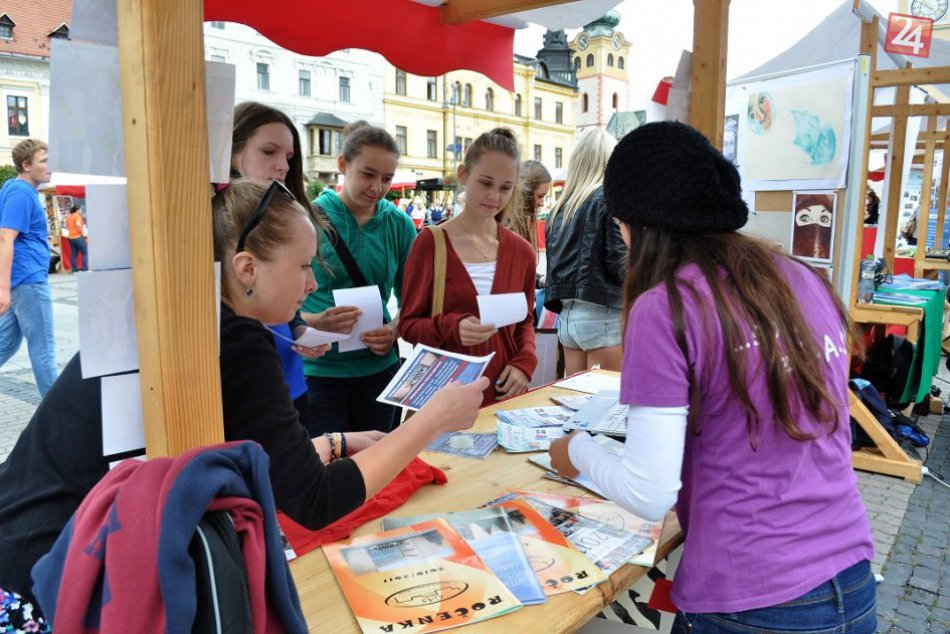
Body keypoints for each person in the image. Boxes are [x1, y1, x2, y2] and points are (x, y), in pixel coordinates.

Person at [0, 179, 488, 627]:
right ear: (247, 268)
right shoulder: (235, 339)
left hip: (30, 550)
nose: (312, 284)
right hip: (50, 588)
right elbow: (315, 500)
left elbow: (259, 457)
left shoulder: (190, 318)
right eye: (302, 266)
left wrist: (334, 441)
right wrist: (430, 420)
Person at [549, 121, 876, 633]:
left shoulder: (669, 305)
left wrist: (576, 451)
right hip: (849, 580)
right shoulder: (797, 279)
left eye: (620, 225)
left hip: (750, 597)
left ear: (635, 223)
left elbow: (647, 491)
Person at [399, 128, 537, 405]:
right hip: (444, 395)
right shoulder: (430, 243)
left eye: (505, 187)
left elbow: (524, 320)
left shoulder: (522, 252)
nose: (495, 197)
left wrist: (525, 362)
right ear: (463, 175)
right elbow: (408, 325)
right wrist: (452, 326)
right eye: (486, 183)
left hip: (503, 393)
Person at [301, 121, 417, 436]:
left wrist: (394, 329)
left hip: (378, 371)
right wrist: (314, 321)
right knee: (326, 469)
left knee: (377, 467)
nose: (377, 188)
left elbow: (413, 298)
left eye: (387, 179)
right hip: (319, 372)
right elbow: (276, 304)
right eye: (367, 174)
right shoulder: (306, 219)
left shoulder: (399, 225)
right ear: (343, 164)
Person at [230, 101, 327, 433]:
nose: (282, 166)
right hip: (248, 386)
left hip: (289, 377)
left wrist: (300, 327)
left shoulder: (290, 212)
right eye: (269, 152)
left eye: (288, 157)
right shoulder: (212, 227)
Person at [543, 128, 624, 375]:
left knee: (576, 403)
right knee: (606, 405)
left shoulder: (559, 208)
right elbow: (620, 265)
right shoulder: (608, 200)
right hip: (604, 317)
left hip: (568, 319)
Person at [0, 138, 57, 397]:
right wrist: (3, 289)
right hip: (28, 281)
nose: (49, 165)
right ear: (26, 165)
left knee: (6, 343)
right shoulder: (21, 192)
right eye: (43, 160)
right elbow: (5, 238)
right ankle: (58, 420)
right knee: (43, 351)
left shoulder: (15, 188)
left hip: (21, 280)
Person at [509, 159, 551, 287]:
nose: (542, 203)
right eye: (540, 196)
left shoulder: (520, 223)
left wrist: (541, 280)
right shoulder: (508, 226)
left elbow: (523, 273)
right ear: (525, 193)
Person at [65, 204, 88, 272]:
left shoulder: (69, 217)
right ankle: (84, 269)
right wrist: (84, 235)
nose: (81, 211)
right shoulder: (77, 216)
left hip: (70, 237)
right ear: (77, 210)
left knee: (74, 254)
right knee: (85, 253)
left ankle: (74, 270)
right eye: (80, 209)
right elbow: (78, 225)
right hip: (77, 236)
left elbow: (67, 226)